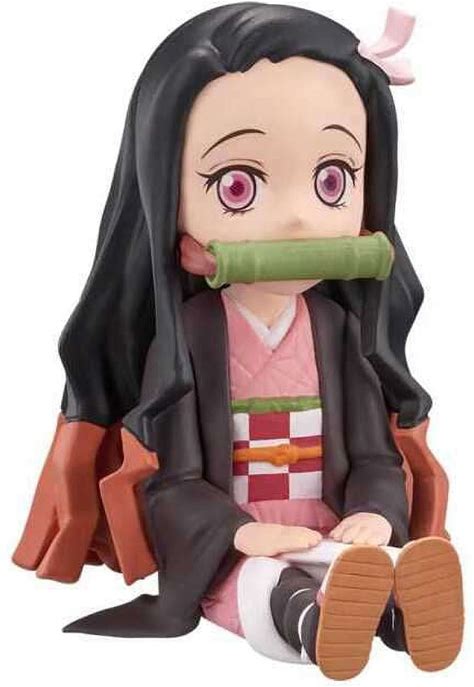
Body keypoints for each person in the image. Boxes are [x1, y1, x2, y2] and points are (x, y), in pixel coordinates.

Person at [13, 3, 463, 680]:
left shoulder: (339, 331)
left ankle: (398, 611)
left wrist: (374, 510)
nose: (298, 218)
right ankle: (311, 623)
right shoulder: (189, 340)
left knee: (358, 559)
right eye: (238, 185)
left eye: (332, 178)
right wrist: (239, 530)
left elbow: (374, 452)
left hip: (330, 521)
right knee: (259, 582)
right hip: (234, 536)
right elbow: (174, 478)